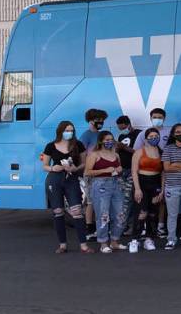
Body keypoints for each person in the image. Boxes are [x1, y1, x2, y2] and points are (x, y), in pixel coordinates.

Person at [40, 121, 93, 253]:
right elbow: (44, 166)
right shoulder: (50, 146)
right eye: (67, 130)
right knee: (58, 211)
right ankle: (62, 245)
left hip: (71, 179)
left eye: (71, 130)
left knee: (77, 211)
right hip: (54, 179)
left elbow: (84, 163)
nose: (69, 133)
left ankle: (83, 245)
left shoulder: (78, 145)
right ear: (60, 131)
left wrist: (75, 168)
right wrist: (53, 167)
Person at [84, 131, 126, 253]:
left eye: (111, 139)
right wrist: (105, 170)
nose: (109, 142)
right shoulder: (94, 154)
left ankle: (114, 241)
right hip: (100, 185)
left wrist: (119, 169)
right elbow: (87, 172)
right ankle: (103, 243)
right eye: (107, 139)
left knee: (120, 214)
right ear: (101, 141)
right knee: (103, 215)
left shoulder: (116, 155)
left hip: (116, 184)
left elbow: (119, 169)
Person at [130, 127, 164, 252]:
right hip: (142, 183)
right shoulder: (139, 152)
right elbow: (134, 171)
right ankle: (135, 239)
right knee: (141, 212)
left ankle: (149, 238)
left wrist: (162, 189)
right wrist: (137, 189)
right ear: (146, 138)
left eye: (156, 136)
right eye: (151, 136)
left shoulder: (161, 152)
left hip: (155, 184)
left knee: (152, 213)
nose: (153, 138)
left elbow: (163, 173)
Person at [79, 108, 107, 240]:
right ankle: (89, 228)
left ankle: (98, 228)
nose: (100, 122)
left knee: (100, 202)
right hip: (90, 173)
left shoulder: (101, 135)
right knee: (91, 201)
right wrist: (86, 169)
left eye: (102, 120)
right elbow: (81, 154)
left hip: (102, 173)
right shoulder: (86, 135)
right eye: (98, 120)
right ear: (90, 121)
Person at [115, 114, 141, 236]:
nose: (121, 130)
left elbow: (138, 152)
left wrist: (124, 147)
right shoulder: (121, 136)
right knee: (122, 199)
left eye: (122, 127)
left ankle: (130, 226)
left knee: (128, 198)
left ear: (127, 124)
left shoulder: (138, 134)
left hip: (132, 170)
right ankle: (124, 225)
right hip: (122, 171)